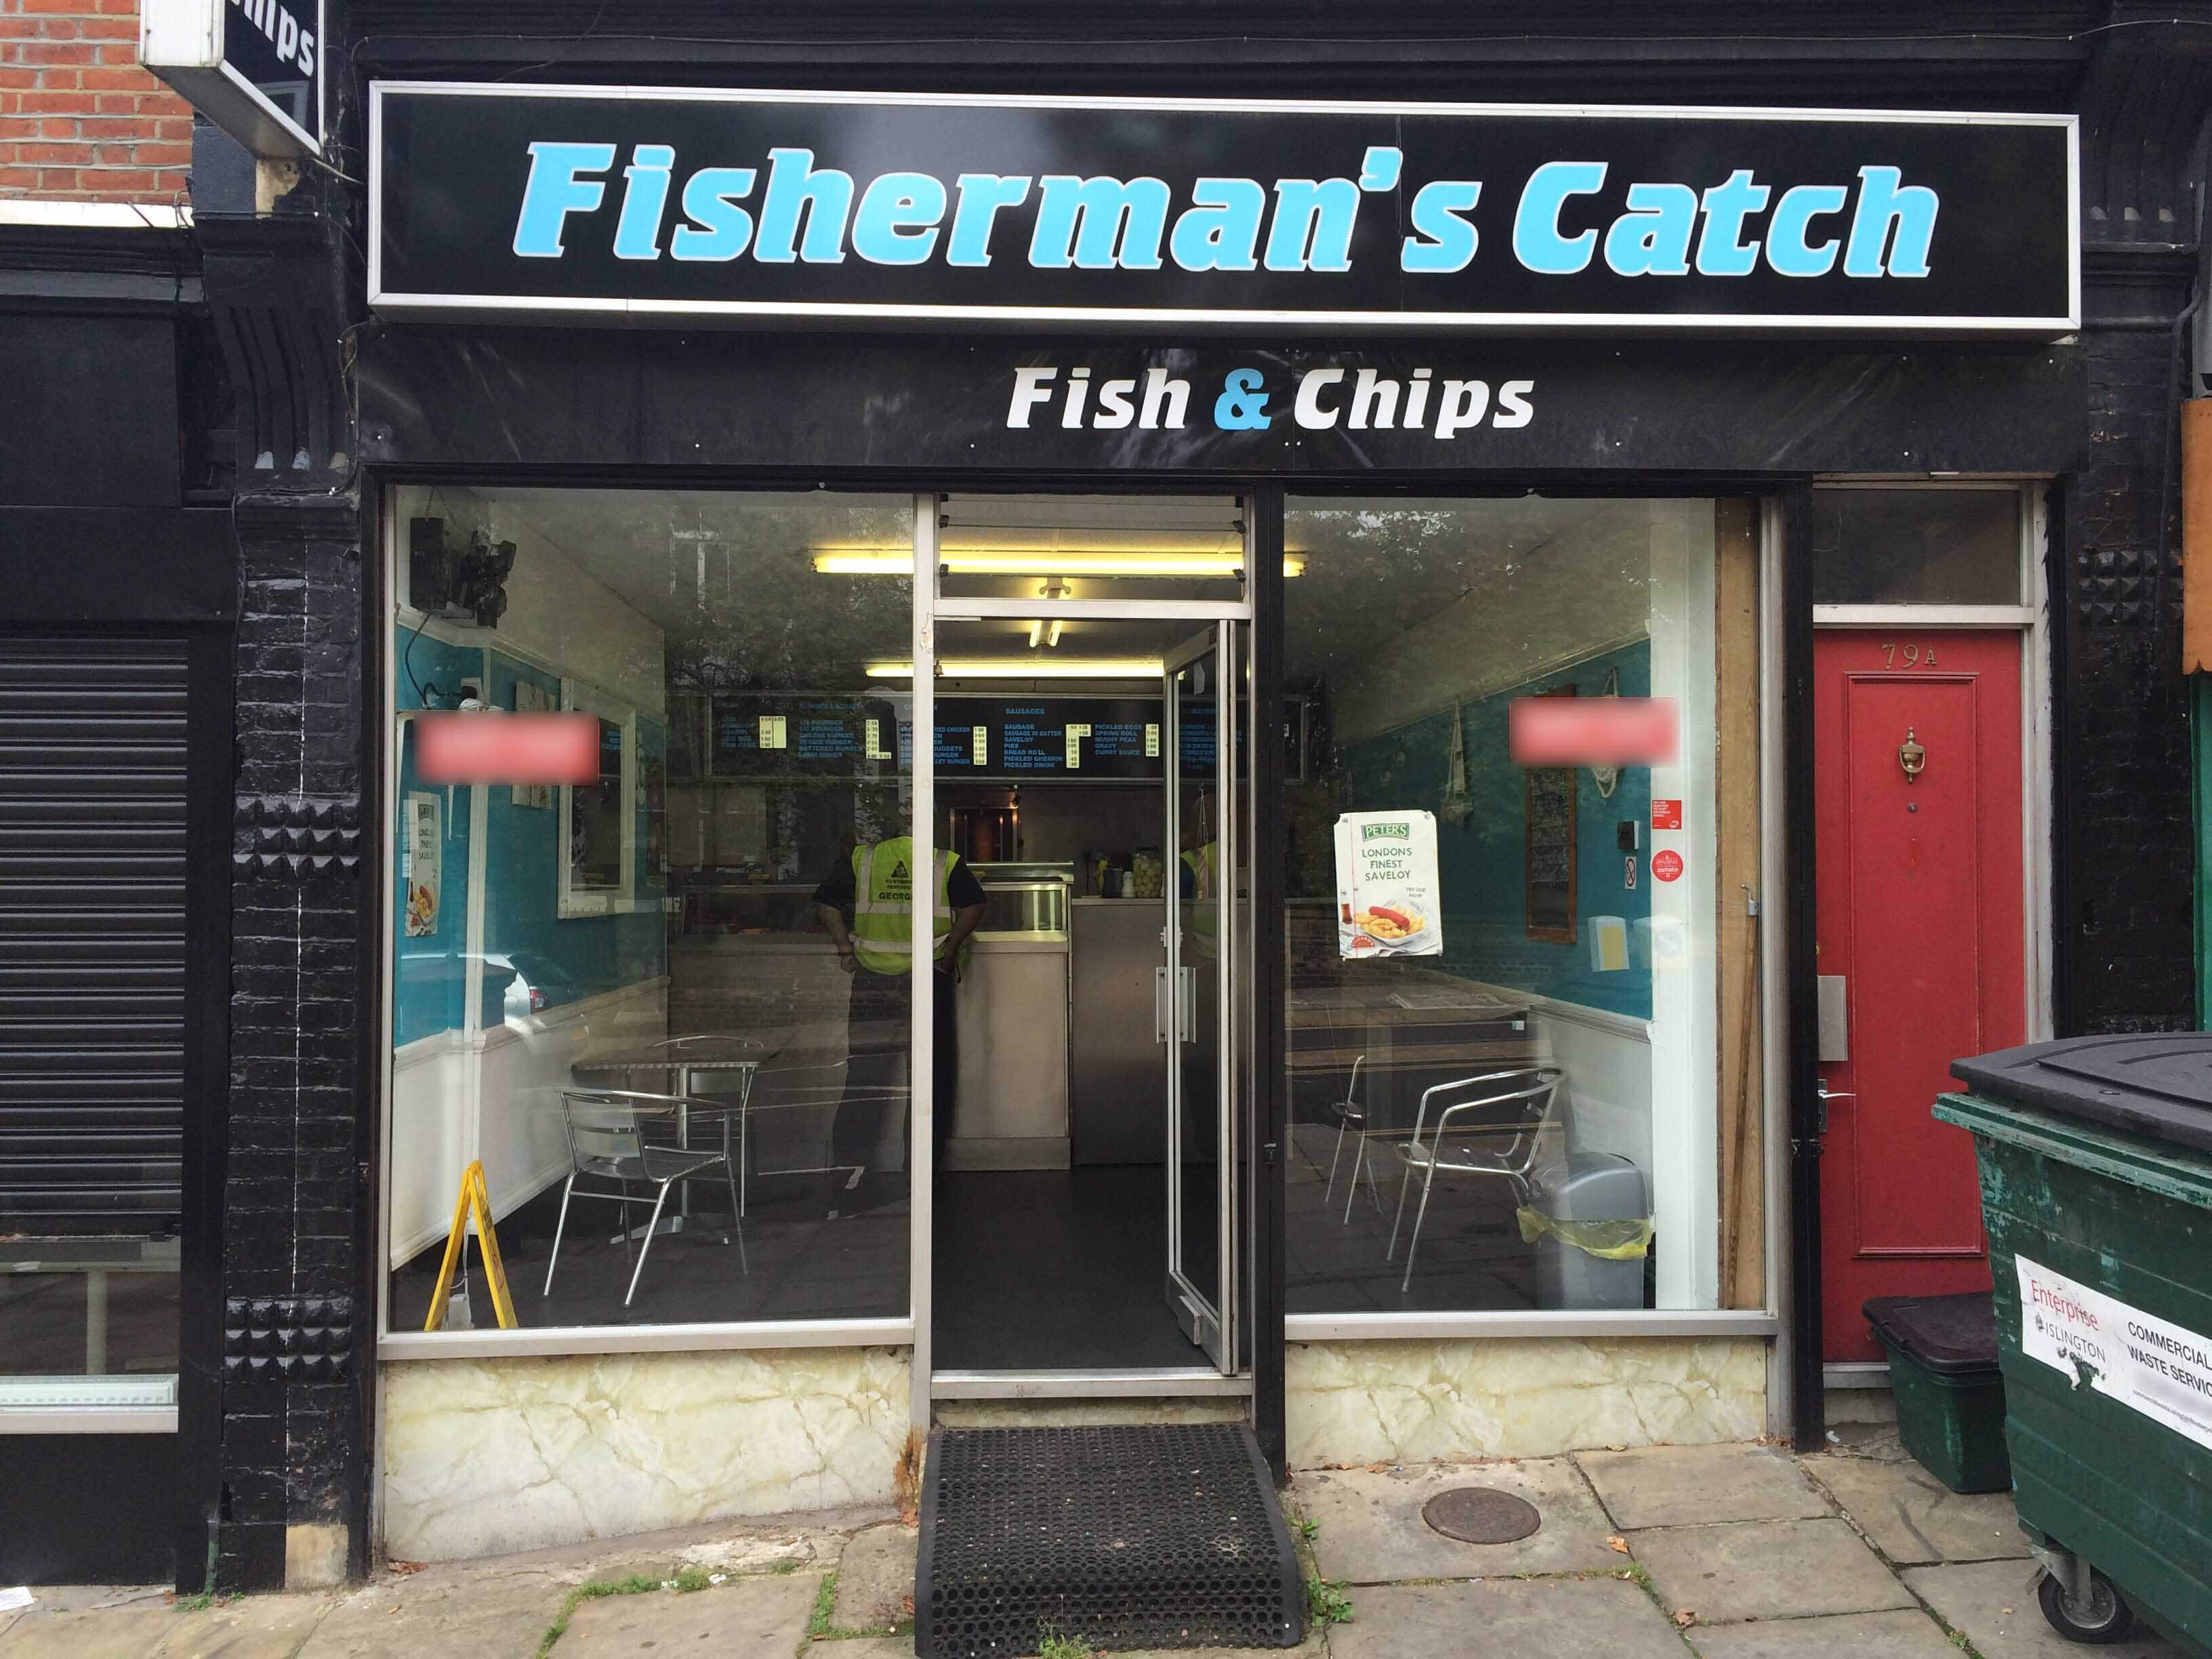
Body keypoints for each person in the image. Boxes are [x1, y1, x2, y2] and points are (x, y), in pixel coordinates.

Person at [813, 830, 986, 1202]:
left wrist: (845, 949)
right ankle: (920, 1176)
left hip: (873, 980)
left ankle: (849, 1170)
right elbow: (974, 906)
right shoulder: (944, 861)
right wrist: (951, 949)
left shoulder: (863, 859)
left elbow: (827, 905)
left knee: (865, 1072)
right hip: (929, 977)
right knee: (931, 1075)